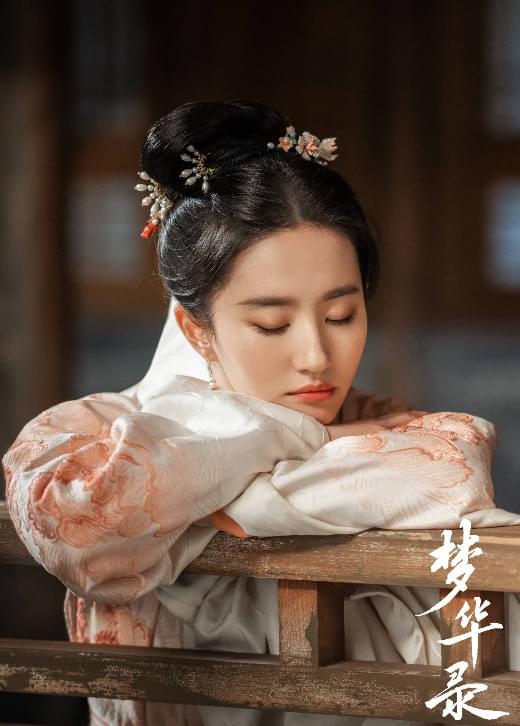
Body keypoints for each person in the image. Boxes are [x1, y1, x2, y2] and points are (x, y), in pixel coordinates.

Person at [3, 99, 520, 726]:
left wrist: (189, 500)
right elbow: (79, 524)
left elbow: (455, 467)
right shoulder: (88, 433)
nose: (316, 356)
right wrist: (302, 439)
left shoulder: (381, 419)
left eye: (342, 315)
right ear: (195, 329)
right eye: (272, 324)